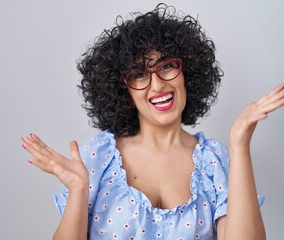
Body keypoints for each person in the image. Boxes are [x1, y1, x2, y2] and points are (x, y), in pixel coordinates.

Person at [21, 4, 283, 239]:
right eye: (139, 74)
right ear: (123, 90)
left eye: (166, 66)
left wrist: (240, 145)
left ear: (187, 72)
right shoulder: (97, 158)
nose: (157, 85)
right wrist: (78, 190)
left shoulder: (215, 161)